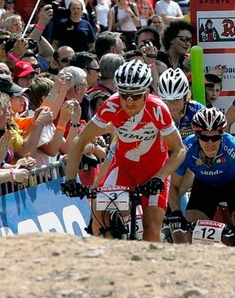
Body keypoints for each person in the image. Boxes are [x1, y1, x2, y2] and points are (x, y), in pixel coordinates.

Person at [62, 60, 187, 242]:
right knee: (98, 221)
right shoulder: (111, 105)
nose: (129, 102)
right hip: (123, 167)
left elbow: (179, 150)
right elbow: (80, 141)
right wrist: (71, 179)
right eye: (124, 95)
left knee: (151, 230)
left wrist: (160, 178)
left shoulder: (158, 109)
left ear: (146, 93)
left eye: (135, 96)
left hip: (153, 172)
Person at [168, 108, 235, 246]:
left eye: (215, 138)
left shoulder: (231, 145)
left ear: (222, 135)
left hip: (233, 186)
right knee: (191, 238)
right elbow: (173, 185)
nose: (210, 144)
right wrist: (176, 212)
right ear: (196, 136)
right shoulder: (187, 148)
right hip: (204, 188)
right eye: (205, 138)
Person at [158, 68, 204, 141]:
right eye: (167, 101)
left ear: (186, 96)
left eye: (176, 99)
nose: (172, 105)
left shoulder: (198, 110)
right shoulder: (156, 113)